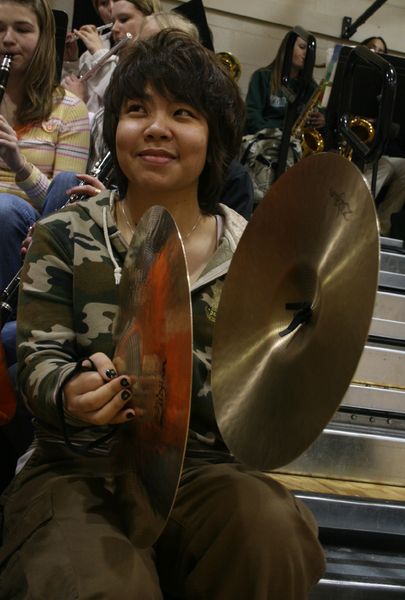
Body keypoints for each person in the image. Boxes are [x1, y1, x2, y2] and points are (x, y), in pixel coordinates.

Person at [0, 30, 324, 599]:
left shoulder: (259, 256)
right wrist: (70, 390)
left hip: (204, 470)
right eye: (135, 109)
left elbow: (264, 400)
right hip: (79, 466)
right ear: (115, 128)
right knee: (96, 585)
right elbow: (37, 358)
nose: (156, 127)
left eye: (182, 112)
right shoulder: (66, 235)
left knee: (272, 534)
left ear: (214, 136)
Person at [0, 0, 90, 293]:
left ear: (44, 38)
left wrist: (19, 164)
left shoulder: (69, 109)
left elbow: (63, 209)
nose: (8, 39)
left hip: (27, 231)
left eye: (22, 29)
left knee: (5, 209)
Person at [62, 0, 161, 120]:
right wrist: (70, 64)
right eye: (104, 3)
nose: (114, 28)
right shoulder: (90, 52)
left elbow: (120, 108)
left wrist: (100, 55)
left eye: (123, 19)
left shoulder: (158, 60)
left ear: (149, 19)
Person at [244, 26, 324, 135]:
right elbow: (252, 116)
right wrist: (274, 135)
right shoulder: (262, 76)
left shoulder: (311, 88)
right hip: (263, 140)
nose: (307, 54)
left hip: (294, 144)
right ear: (288, 48)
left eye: (310, 51)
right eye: (302, 47)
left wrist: (321, 121)